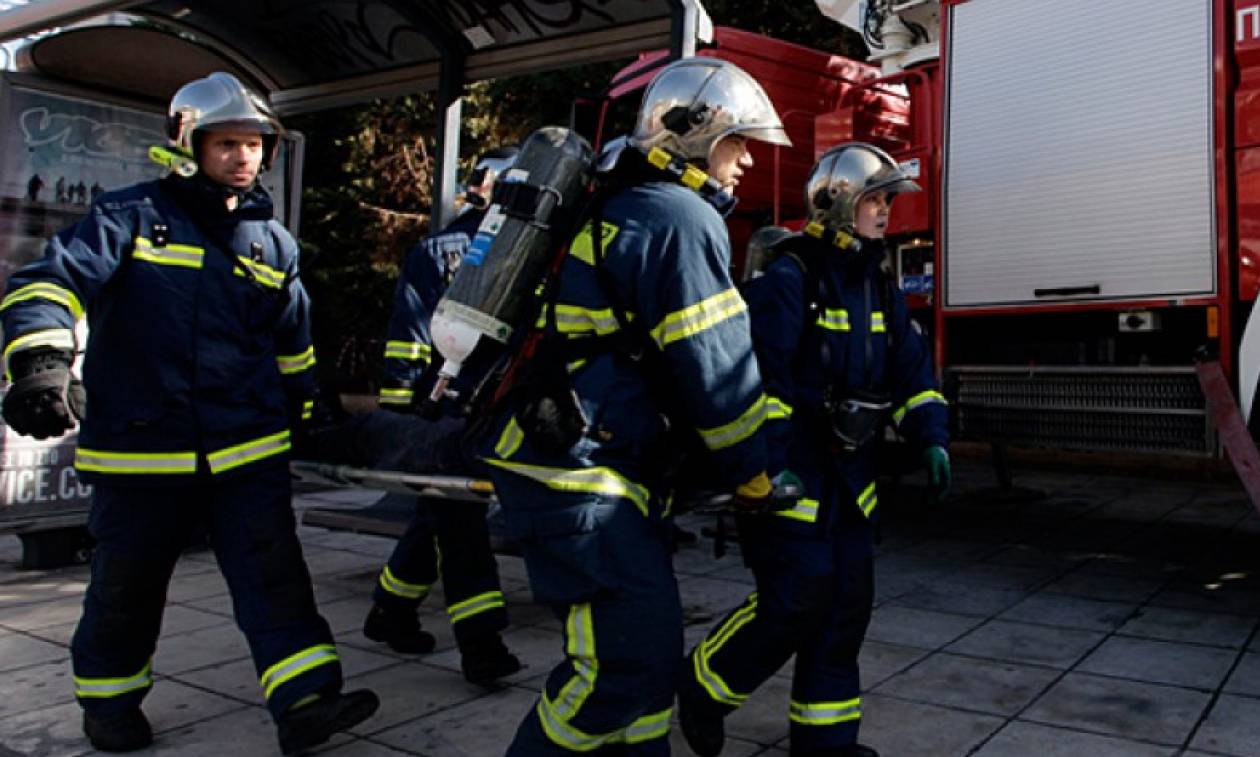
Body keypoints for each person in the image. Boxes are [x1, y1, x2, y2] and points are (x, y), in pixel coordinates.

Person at [0, 72, 378, 754]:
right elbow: (48, 281)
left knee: (275, 580)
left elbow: (293, 343)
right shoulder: (129, 216)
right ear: (188, 143)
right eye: (228, 142)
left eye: (255, 144)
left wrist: (313, 408)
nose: (244, 157)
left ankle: (306, 701)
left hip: (248, 451)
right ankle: (109, 703)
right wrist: (39, 361)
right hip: (142, 451)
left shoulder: (274, 245)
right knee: (126, 589)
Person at [480, 57, 791, 755]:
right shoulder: (679, 218)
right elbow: (722, 373)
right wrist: (752, 471)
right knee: (622, 665)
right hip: (583, 473)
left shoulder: (623, 201)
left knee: (648, 673)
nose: (745, 162)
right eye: (738, 143)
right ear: (697, 135)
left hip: (588, 460)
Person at [675, 143, 951, 757]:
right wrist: (764, 473)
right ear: (839, 203)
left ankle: (825, 746)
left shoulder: (878, 284)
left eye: (886, 201)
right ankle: (702, 684)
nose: (885, 213)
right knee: (792, 605)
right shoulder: (789, 280)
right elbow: (760, 385)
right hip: (791, 479)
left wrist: (931, 436)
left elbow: (910, 372)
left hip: (850, 484)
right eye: (875, 200)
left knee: (845, 609)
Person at [363, 146, 522, 685]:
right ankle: (482, 644)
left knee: (439, 514)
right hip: (454, 409)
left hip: (467, 408)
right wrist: (404, 411)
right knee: (460, 522)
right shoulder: (459, 250)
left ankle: (391, 609)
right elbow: (409, 337)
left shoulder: (487, 248)